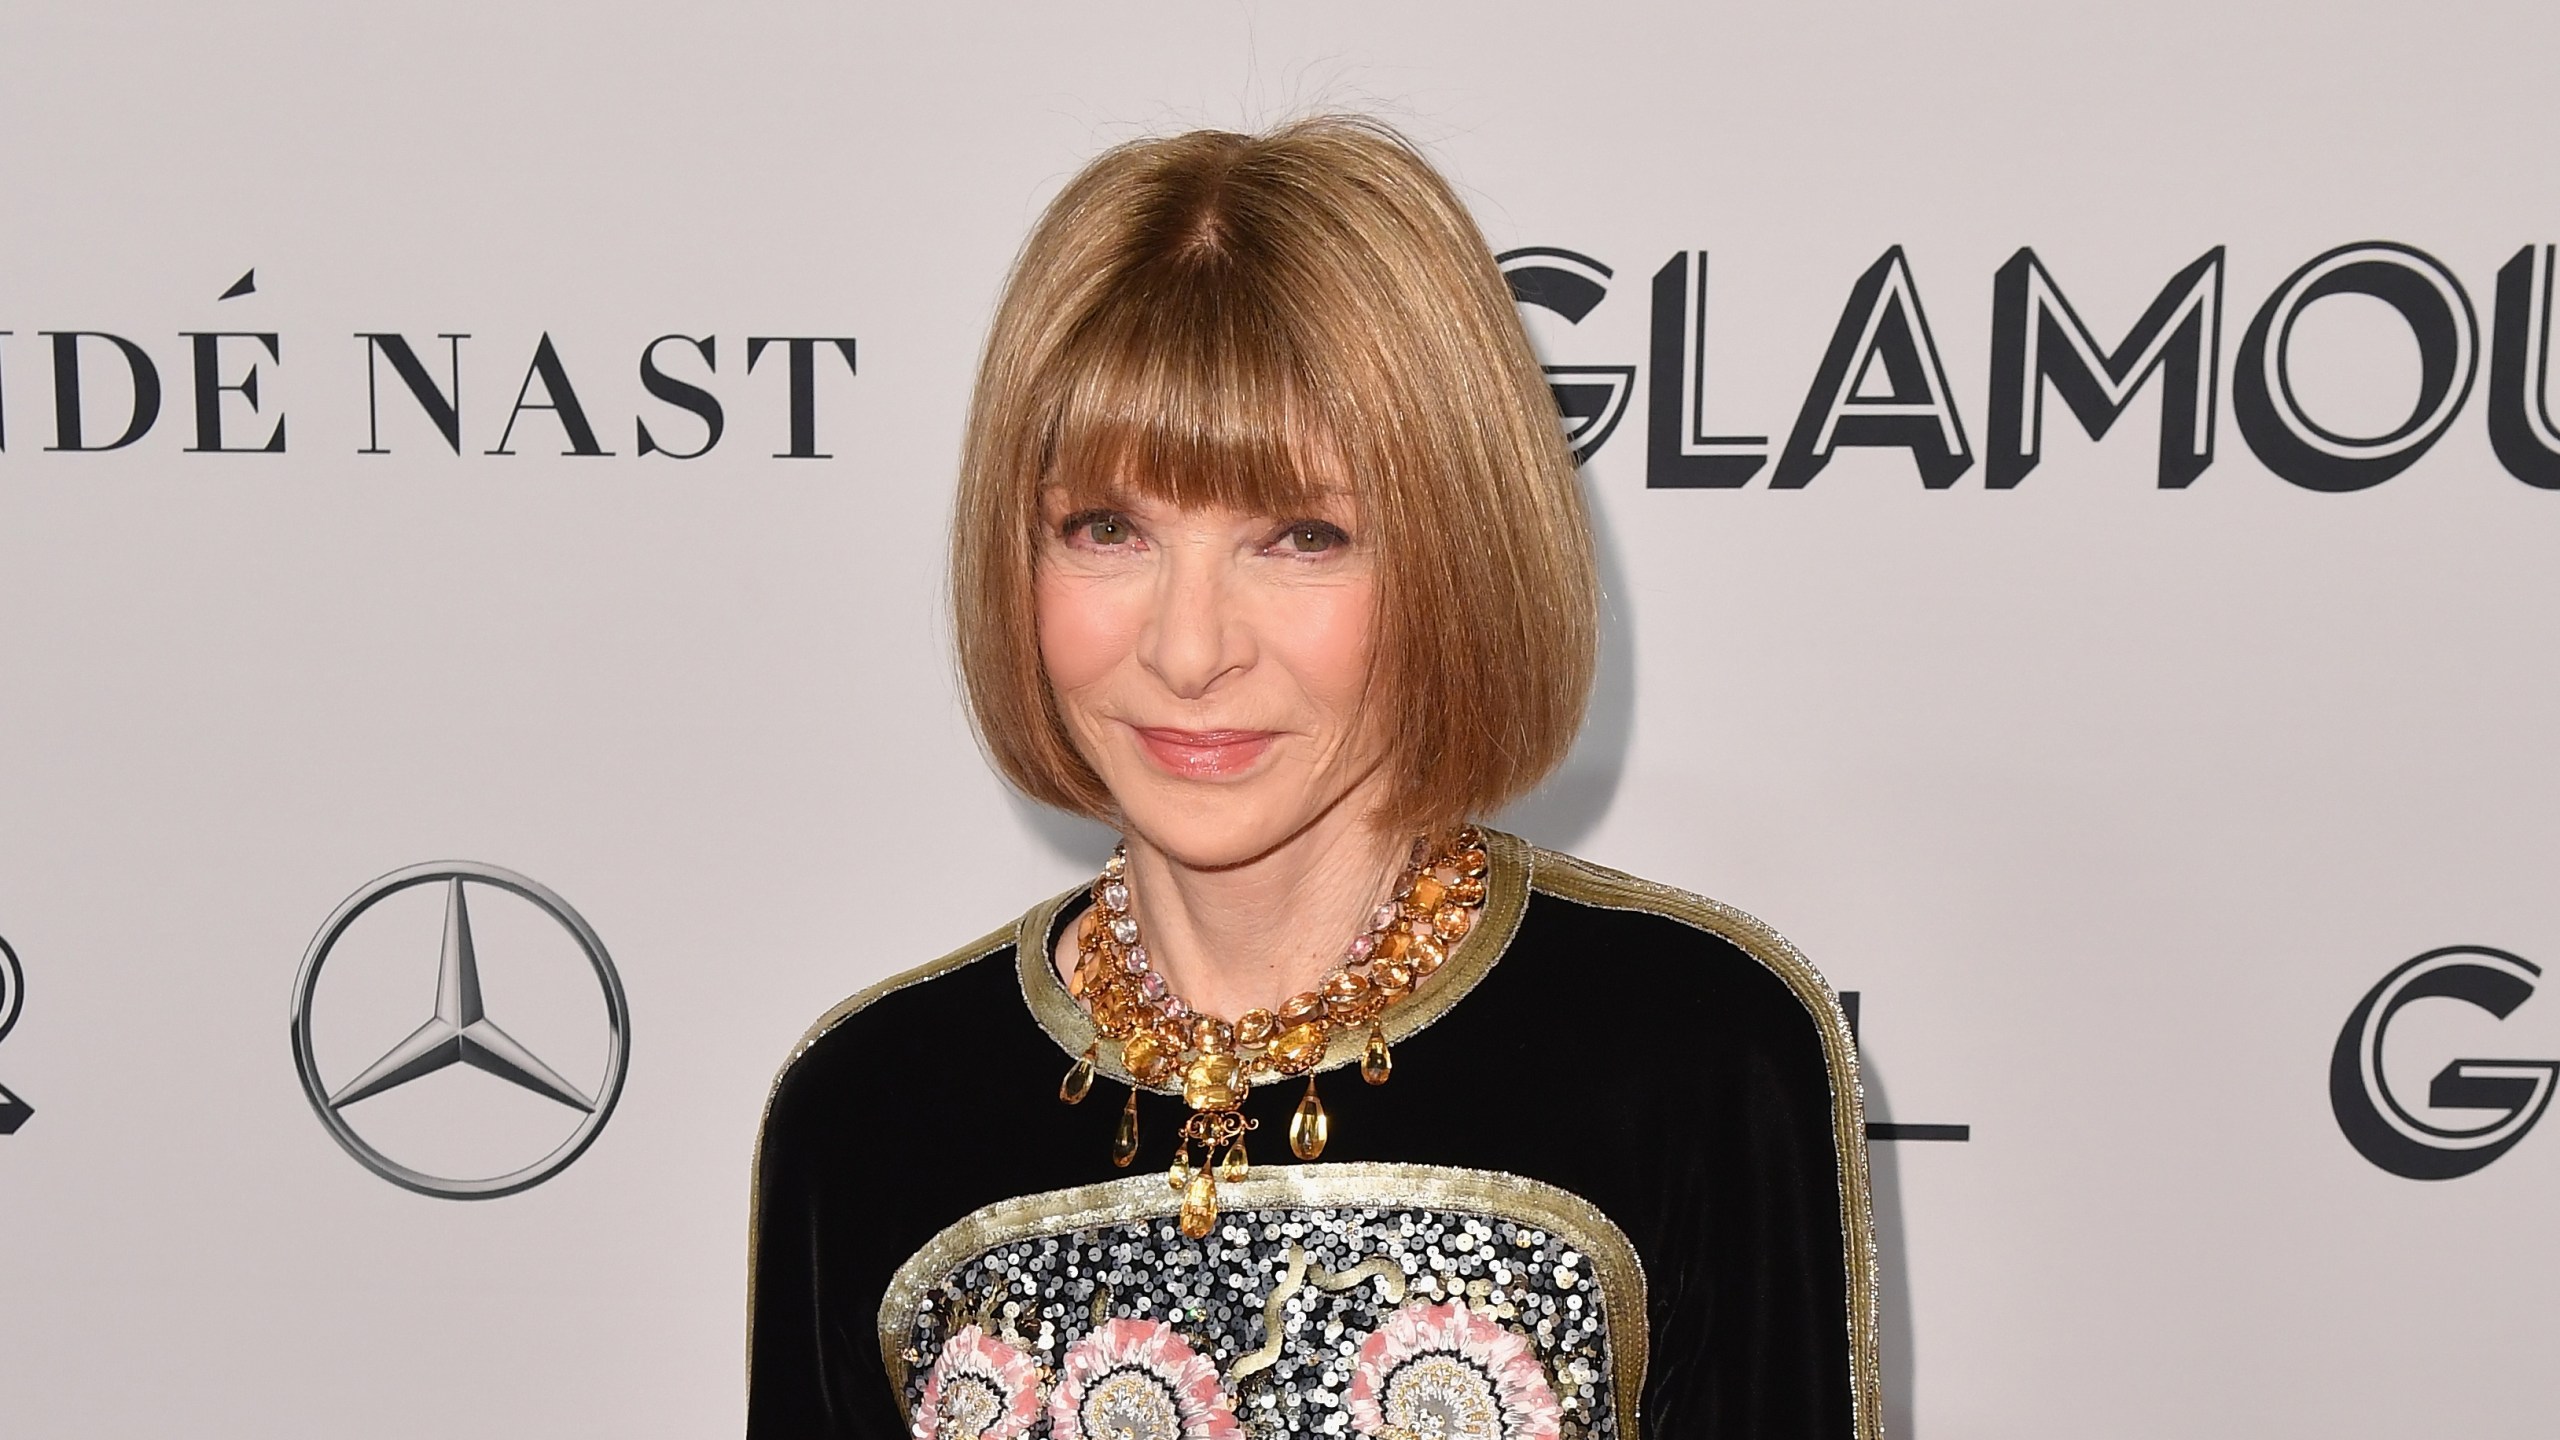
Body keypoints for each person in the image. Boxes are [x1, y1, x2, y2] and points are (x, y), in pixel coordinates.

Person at [749, 116, 1878, 1440]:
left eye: (1302, 536)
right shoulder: (875, 1106)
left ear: (1458, 557)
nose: (1188, 649)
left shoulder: (1694, 1052)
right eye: (1107, 530)